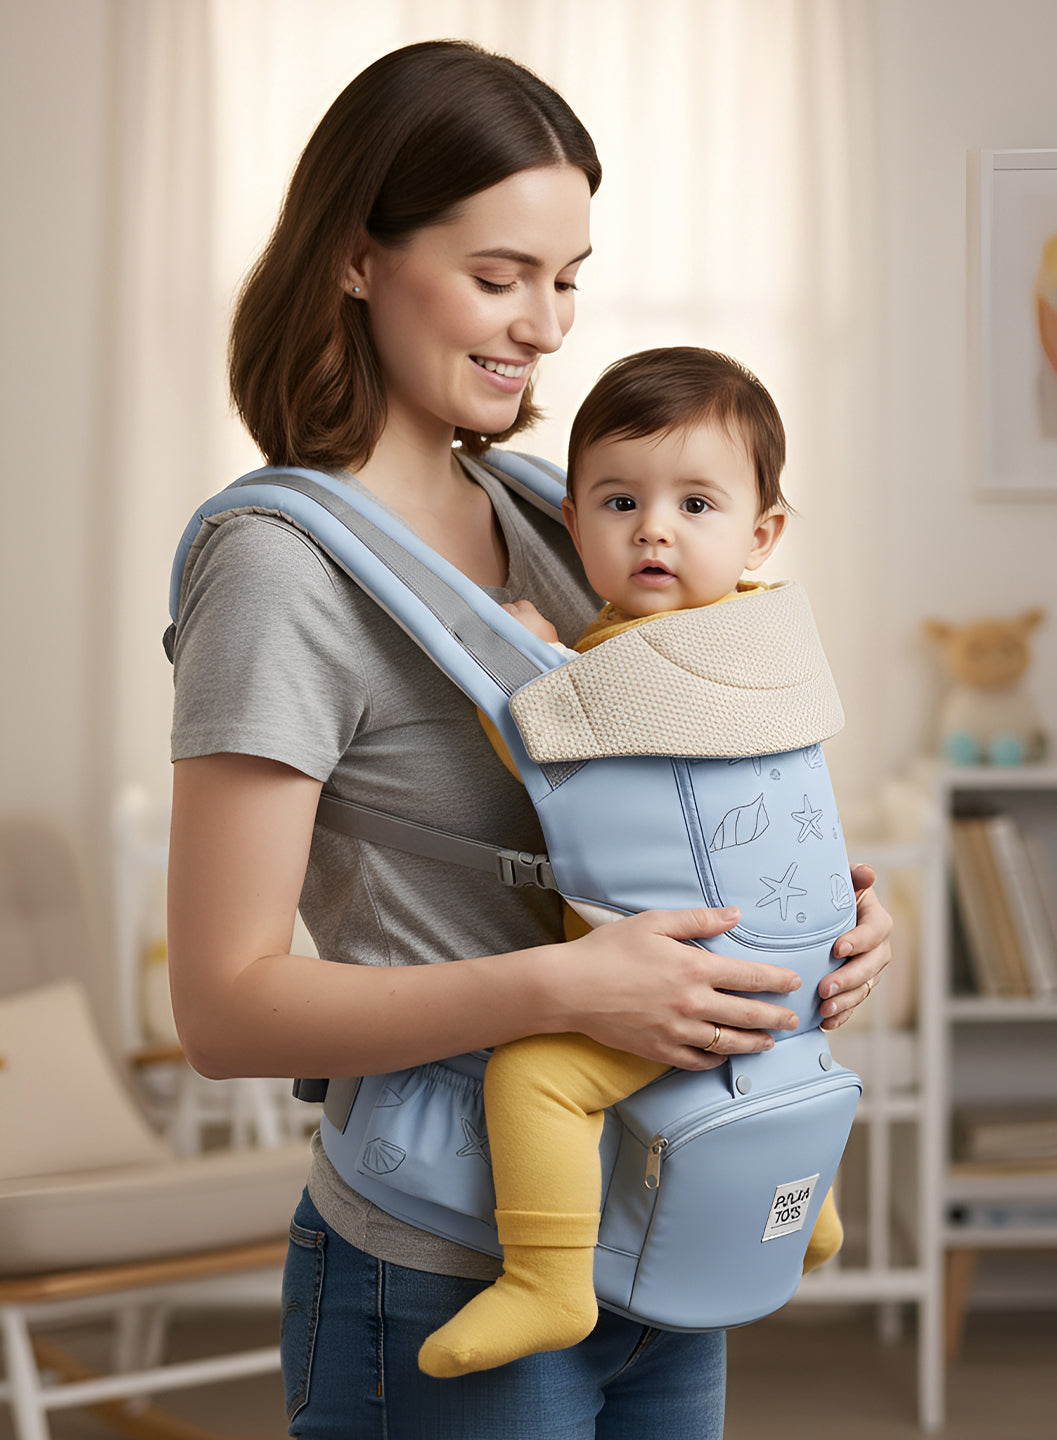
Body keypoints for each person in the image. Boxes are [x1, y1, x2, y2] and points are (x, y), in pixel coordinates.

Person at [166, 40, 892, 1440]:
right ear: (357, 258)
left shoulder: (565, 512)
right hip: (436, 1266)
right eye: (501, 278)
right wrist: (574, 990)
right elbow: (224, 1006)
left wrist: (849, 926)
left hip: (661, 1227)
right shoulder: (281, 570)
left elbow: (698, 788)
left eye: (568, 281)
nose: (549, 327)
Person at [418, 346, 848, 1379]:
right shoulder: (763, 645)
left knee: (538, 1076)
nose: (653, 527)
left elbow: (561, 759)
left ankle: (545, 1280)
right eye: (619, 501)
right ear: (573, 525)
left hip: (688, 975)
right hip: (803, 968)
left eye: (696, 504)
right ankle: (810, 1205)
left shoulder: (613, 668)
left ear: (763, 531)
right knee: (781, 1057)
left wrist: (519, 668)